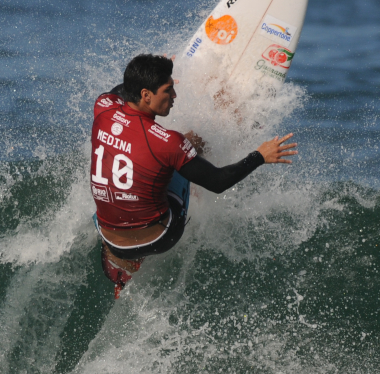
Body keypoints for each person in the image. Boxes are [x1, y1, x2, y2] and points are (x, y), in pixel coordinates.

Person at [90, 53, 297, 295]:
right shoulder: (168, 142)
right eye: (168, 90)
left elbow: (118, 92)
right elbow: (219, 181)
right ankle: (190, 192)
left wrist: (142, 76)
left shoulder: (102, 108)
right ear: (146, 95)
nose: (175, 96)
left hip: (110, 237)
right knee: (192, 142)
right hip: (161, 236)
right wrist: (260, 155)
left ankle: (121, 265)